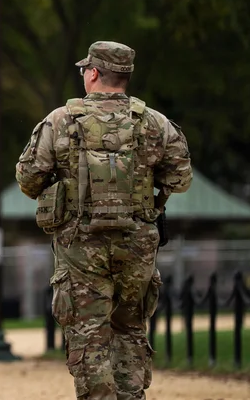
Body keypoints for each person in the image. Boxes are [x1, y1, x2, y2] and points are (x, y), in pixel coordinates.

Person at [16, 41, 192, 400]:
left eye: (86, 70)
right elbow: (181, 178)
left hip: (80, 247)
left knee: (88, 334)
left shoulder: (60, 120)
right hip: (137, 244)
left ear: (94, 73)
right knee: (130, 329)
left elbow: (28, 179)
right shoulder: (154, 122)